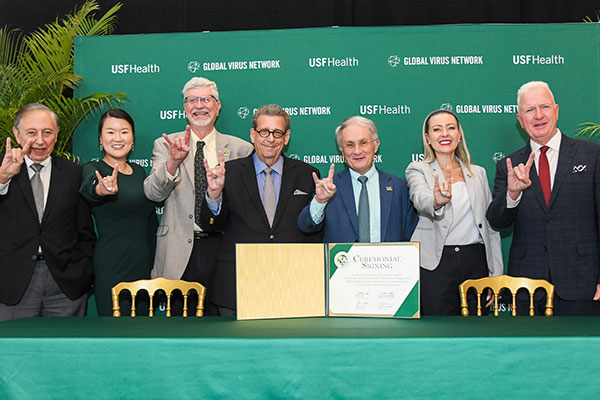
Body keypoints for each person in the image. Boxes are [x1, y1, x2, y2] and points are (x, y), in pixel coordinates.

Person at [487, 81, 600, 316]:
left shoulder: (593, 155)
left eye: (545, 107)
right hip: (527, 287)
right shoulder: (509, 165)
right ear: (520, 119)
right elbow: (497, 221)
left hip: (583, 282)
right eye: (530, 110)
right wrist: (513, 193)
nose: (538, 116)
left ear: (556, 110)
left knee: (579, 352)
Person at [200, 104, 323, 316]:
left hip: (293, 285)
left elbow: (314, 231)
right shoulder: (228, 173)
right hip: (238, 285)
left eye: (277, 133)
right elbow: (211, 226)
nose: (270, 138)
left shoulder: (307, 174)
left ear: (286, 137)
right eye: (264, 132)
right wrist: (214, 194)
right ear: (253, 135)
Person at [144, 77, 253, 315]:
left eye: (206, 99)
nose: (199, 105)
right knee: (178, 332)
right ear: (184, 108)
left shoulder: (241, 149)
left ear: (218, 106)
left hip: (223, 248)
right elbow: (152, 193)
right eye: (191, 100)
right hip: (177, 250)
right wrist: (173, 163)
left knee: (223, 325)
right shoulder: (166, 145)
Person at [0, 103, 95, 320]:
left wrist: (84, 270)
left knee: (64, 352)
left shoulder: (74, 174)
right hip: (11, 283)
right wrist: (3, 178)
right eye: (31, 133)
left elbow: (85, 231)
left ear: (57, 133)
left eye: (47, 132)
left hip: (65, 285)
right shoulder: (2, 169)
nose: (40, 141)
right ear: (16, 134)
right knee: (14, 353)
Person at [406, 109, 503, 316]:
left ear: (459, 135)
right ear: (428, 138)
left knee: (476, 332)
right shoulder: (417, 169)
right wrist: (437, 201)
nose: (444, 134)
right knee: (437, 333)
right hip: (435, 265)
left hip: (476, 263)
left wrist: (496, 274)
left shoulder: (478, 173)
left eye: (451, 128)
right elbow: (420, 199)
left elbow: (490, 228)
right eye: (437, 129)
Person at [80, 109, 158, 316]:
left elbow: (151, 223)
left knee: (141, 331)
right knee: (114, 332)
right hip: (111, 265)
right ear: (100, 138)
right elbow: (90, 188)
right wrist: (102, 189)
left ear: (132, 138)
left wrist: (154, 264)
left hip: (142, 265)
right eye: (110, 132)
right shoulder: (93, 168)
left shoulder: (140, 172)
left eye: (124, 132)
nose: (117, 138)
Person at [297, 115, 418, 243]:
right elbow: (306, 226)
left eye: (363, 143)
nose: (357, 151)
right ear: (341, 150)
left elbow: (411, 237)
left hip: (389, 262)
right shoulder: (329, 187)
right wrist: (320, 201)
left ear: (376, 145)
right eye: (350, 145)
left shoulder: (399, 188)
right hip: (342, 262)